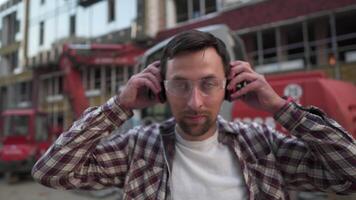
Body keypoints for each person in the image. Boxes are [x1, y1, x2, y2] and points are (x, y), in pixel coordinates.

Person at [32, 30, 356, 200]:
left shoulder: (263, 147)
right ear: (160, 89)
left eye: (209, 84)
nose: (194, 102)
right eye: (180, 86)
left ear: (230, 86)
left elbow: (350, 174)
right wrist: (119, 107)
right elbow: (52, 171)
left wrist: (280, 108)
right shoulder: (137, 149)